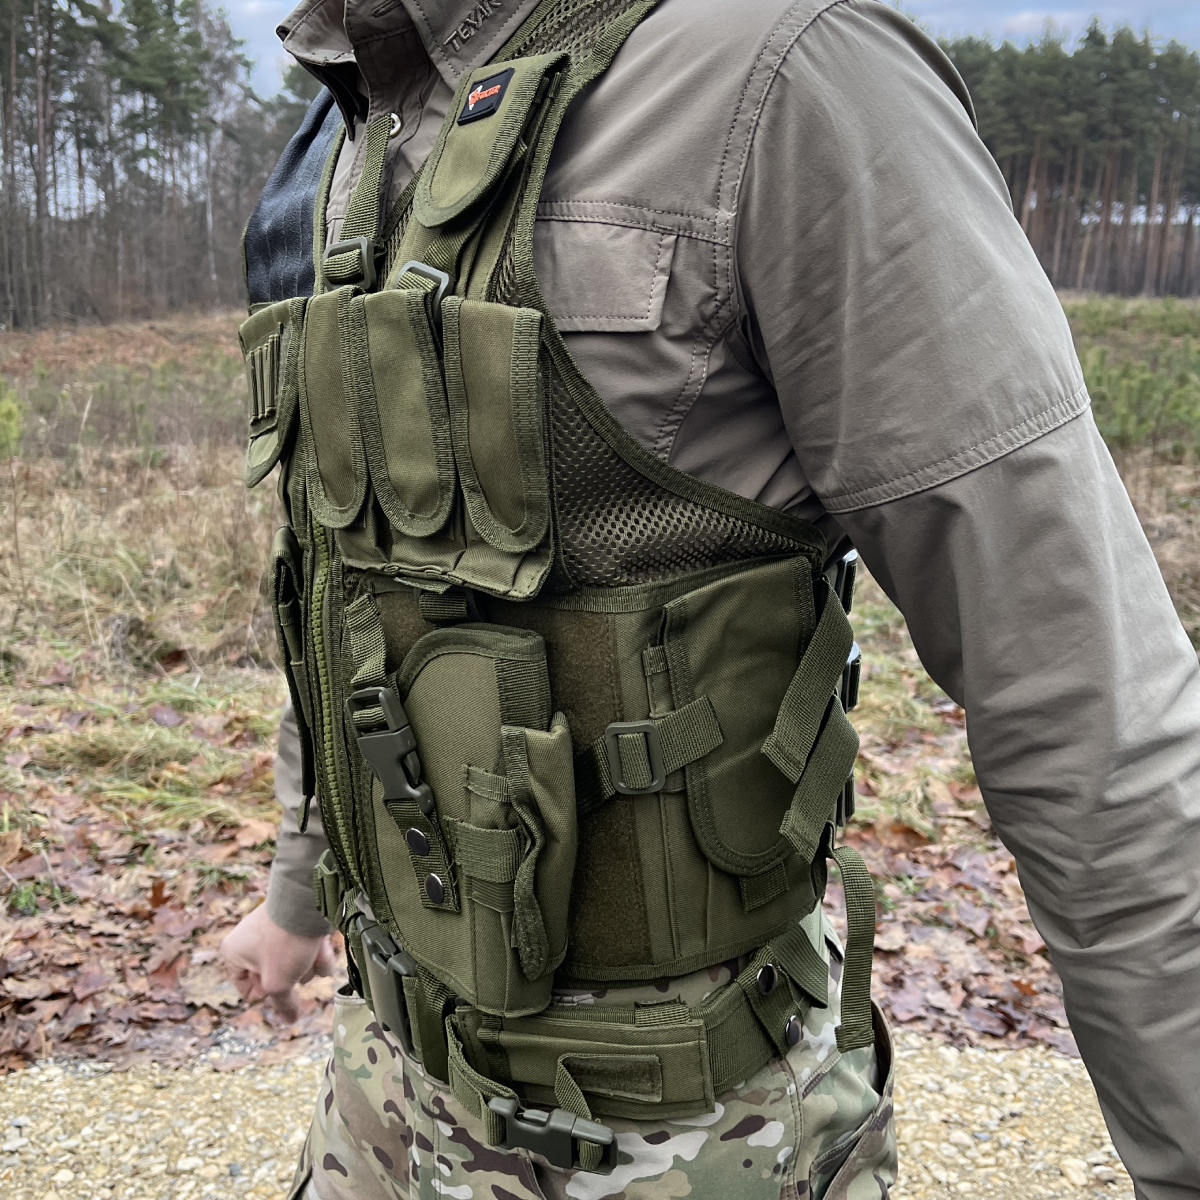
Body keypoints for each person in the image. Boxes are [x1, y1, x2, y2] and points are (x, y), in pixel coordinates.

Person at [221, 1, 1200, 1198]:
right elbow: (351, 599)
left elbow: (1088, 699)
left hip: (692, 1144)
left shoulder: (785, 72)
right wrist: (295, 894)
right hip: (383, 1097)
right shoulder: (352, 121)